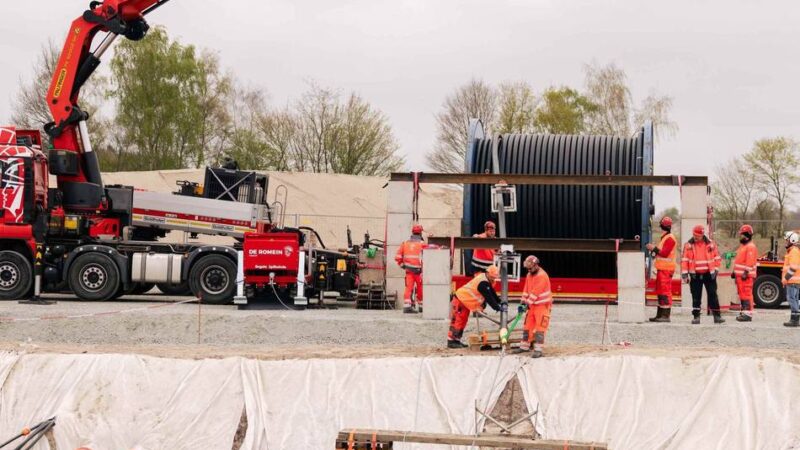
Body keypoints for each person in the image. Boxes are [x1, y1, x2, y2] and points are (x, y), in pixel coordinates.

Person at [447, 265, 501, 348]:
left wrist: (499, 302)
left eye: (494, 278)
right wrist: (497, 307)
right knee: (458, 320)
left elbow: (492, 292)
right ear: (487, 273)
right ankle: (451, 340)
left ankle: (456, 340)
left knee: (462, 320)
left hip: (464, 301)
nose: (493, 279)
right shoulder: (483, 283)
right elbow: (489, 296)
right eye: (492, 277)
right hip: (461, 300)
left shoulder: (485, 279)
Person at [681, 224, 724, 324]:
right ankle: (696, 317)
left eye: (697, 235)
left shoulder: (711, 244)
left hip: (709, 275)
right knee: (696, 297)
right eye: (694, 235)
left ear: (702, 235)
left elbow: (717, 258)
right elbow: (684, 260)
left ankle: (717, 316)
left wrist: (716, 270)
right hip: (695, 275)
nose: (695, 237)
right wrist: (684, 274)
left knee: (713, 295)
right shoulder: (688, 245)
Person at [515, 255, 553, 358]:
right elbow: (526, 290)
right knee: (528, 325)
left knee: (540, 327)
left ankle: (538, 349)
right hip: (533, 306)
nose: (529, 270)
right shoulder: (529, 275)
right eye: (527, 268)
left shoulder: (542, 276)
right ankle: (524, 346)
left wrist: (527, 304)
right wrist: (522, 302)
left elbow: (535, 292)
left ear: (536, 265)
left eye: (530, 268)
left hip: (542, 306)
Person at [646, 216, 678, 322]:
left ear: (661, 225)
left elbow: (664, 253)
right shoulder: (665, 237)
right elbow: (661, 252)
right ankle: (660, 315)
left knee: (665, 292)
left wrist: (653, 248)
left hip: (666, 269)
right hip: (662, 269)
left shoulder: (669, 238)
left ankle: (665, 316)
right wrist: (655, 250)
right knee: (660, 291)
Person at [395, 224, 425, 314]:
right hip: (419, 271)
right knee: (420, 288)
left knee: (409, 287)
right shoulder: (423, 244)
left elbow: (397, 257)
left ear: (412, 232)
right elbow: (427, 258)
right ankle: (421, 306)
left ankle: (407, 306)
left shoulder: (405, 243)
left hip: (409, 270)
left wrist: (402, 265)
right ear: (420, 233)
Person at [732, 224, 758, 322]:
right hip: (740, 276)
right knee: (742, 295)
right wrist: (734, 272)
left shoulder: (750, 247)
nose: (740, 237)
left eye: (742, 234)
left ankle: (748, 314)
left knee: (746, 294)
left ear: (747, 235)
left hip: (746, 276)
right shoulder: (743, 246)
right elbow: (739, 261)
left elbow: (750, 261)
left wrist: (746, 272)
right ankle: (744, 312)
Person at [782, 231, 800, 328]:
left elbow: (793, 267)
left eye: (787, 240)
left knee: (792, 299)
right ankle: (794, 319)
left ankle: (794, 320)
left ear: (792, 240)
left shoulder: (793, 252)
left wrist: (785, 279)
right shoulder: (794, 251)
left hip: (792, 281)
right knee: (794, 300)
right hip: (794, 281)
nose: (786, 242)